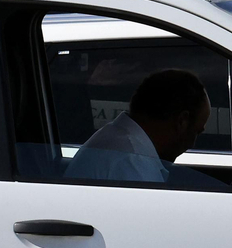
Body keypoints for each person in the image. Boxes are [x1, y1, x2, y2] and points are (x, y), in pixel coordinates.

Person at [65, 69, 211, 183]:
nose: (192, 144)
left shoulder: (118, 142)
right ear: (182, 122)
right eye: (196, 132)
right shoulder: (132, 164)